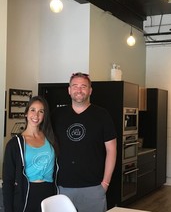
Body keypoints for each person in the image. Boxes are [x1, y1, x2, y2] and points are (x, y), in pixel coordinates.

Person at [51, 72, 117, 212]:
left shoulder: (102, 115)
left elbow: (111, 150)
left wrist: (105, 183)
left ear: (90, 90)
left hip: (93, 188)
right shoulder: (57, 115)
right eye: (75, 86)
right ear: (69, 90)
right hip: (63, 187)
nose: (79, 90)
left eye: (83, 86)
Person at [2, 96, 58, 212]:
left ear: (44, 115)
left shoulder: (50, 138)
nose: (36, 115)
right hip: (26, 195)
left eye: (41, 111)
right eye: (33, 110)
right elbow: (8, 181)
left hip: (49, 192)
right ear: (26, 113)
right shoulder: (14, 144)